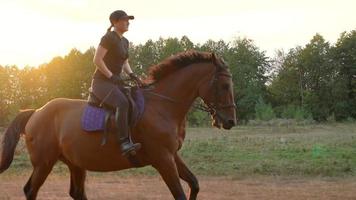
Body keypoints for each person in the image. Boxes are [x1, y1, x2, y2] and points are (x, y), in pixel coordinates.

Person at [90, 10, 142, 156]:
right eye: (125, 20)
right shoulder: (108, 38)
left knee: (134, 99)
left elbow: (124, 62)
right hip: (101, 83)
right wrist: (111, 76)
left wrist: (132, 75)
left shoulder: (125, 42)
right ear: (115, 22)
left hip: (115, 82)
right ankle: (124, 142)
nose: (128, 22)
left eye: (128, 20)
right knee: (122, 103)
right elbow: (97, 60)